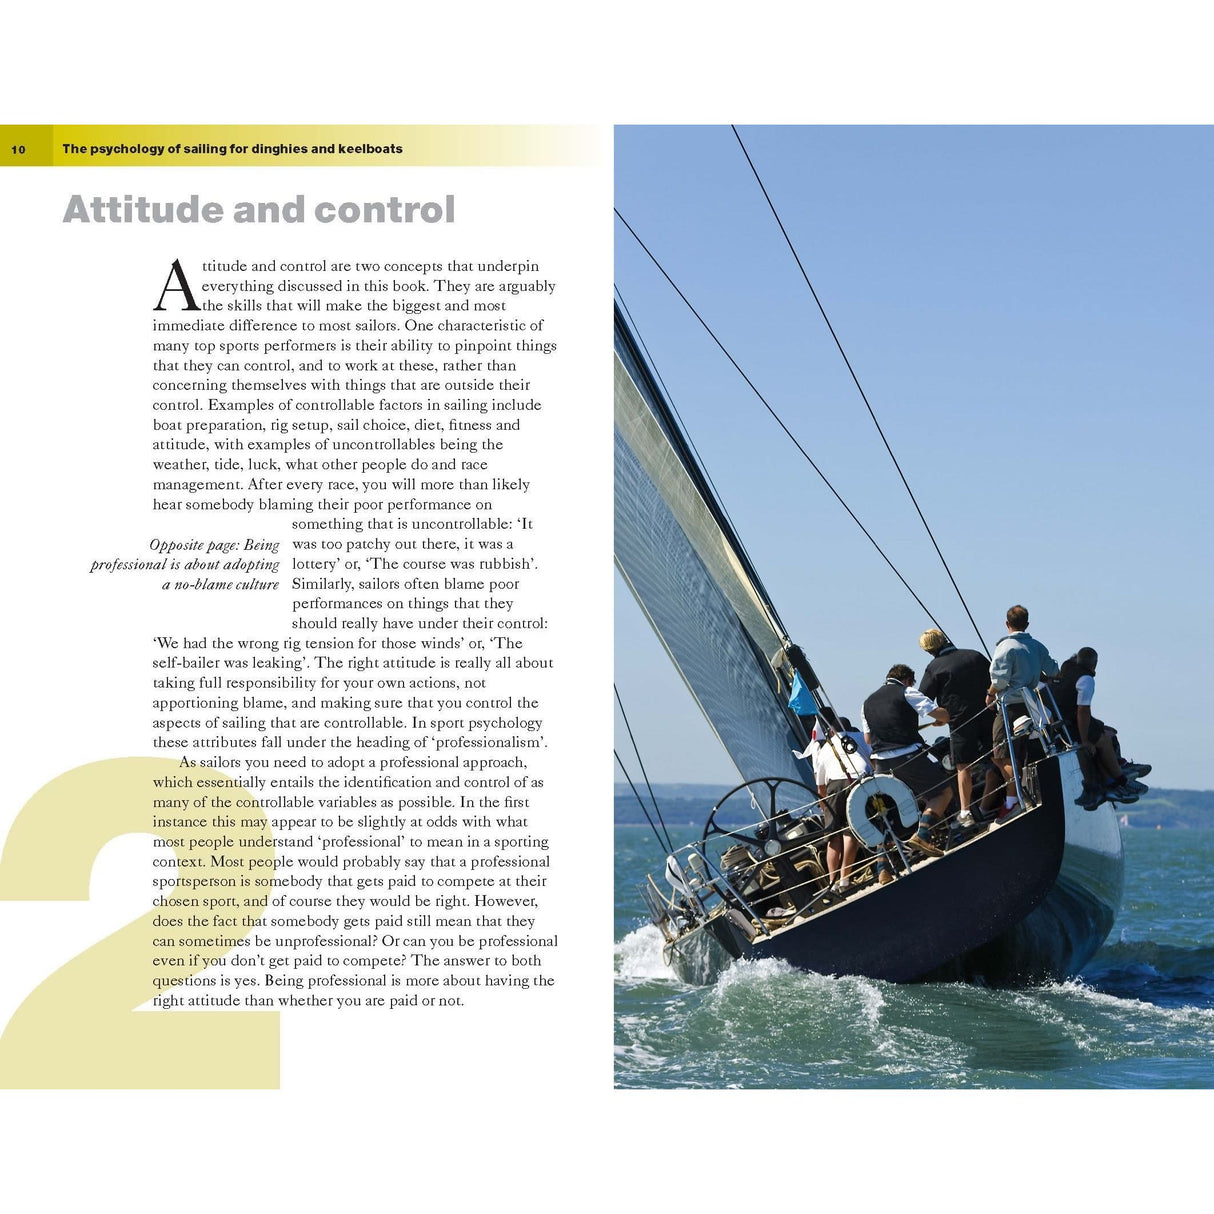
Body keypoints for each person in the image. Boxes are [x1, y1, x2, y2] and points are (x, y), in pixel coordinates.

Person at [861, 664, 952, 858]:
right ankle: (923, 835)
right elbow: (942, 715)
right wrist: (941, 720)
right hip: (907, 757)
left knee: (886, 813)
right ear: (908, 680)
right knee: (942, 792)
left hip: (881, 764)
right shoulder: (907, 692)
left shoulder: (866, 703)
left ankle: (883, 866)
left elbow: (868, 740)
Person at [918, 628, 999, 828]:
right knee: (998, 756)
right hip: (987, 714)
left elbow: (922, 698)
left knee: (963, 767)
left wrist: (939, 717)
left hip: (960, 723)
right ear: (944, 639)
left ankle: (965, 812)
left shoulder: (934, 667)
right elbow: (995, 679)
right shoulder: (974, 655)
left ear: (929, 650)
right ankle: (1016, 793)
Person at [1048, 647, 1148, 807]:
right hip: (1069, 725)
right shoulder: (1085, 680)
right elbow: (1083, 711)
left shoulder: (1066, 673)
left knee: (1105, 731)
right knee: (1103, 740)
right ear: (1094, 665)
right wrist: (1086, 739)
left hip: (1060, 724)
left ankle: (1110, 775)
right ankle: (1119, 781)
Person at [986, 605, 1058, 820]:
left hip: (1010, 706)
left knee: (1000, 755)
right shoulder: (1037, 646)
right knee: (1020, 753)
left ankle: (1013, 800)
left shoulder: (1006, 647)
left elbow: (998, 680)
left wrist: (989, 694)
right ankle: (1019, 794)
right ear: (1027, 624)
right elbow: (1054, 671)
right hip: (1032, 706)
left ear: (1007, 624)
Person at [811, 708, 871, 892]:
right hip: (859, 780)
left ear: (831, 731)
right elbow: (873, 759)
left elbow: (820, 786)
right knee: (851, 831)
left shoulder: (824, 748)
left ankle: (833, 882)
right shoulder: (859, 737)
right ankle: (845, 879)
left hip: (834, 786)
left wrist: (824, 807)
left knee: (833, 837)